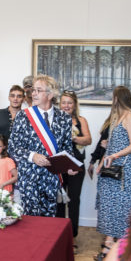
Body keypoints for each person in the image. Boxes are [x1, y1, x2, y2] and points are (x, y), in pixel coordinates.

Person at [9, 74, 74, 217]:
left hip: (52, 178)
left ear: (50, 94)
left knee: (49, 222)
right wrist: (33, 156)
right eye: (33, 90)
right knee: (31, 221)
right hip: (29, 176)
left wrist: (70, 166)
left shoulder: (64, 118)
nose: (33, 93)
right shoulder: (23, 116)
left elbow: (67, 148)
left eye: (39, 90)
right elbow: (13, 147)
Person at [94, 86, 131, 261]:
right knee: (109, 202)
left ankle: (122, 245)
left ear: (118, 98)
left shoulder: (130, 116)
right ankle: (109, 241)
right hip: (111, 165)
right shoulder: (115, 118)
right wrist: (103, 160)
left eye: (113, 97)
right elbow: (111, 144)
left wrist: (115, 156)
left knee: (122, 203)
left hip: (126, 167)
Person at [56, 91, 92, 243]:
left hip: (77, 165)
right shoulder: (54, 120)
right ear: (59, 104)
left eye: (70, 102)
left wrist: (74, 137)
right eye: (64, 102)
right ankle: (57, 235)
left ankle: (72, 236)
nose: (66, 106)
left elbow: (88, 140)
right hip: (59, 165)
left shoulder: (80, 120)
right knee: (58, 200)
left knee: (73, 200)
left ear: (75, 104)